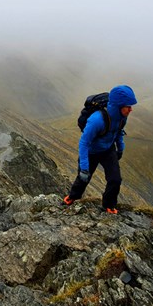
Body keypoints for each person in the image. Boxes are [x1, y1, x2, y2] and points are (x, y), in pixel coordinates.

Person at [62, 85, 137, 214]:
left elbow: (118, 131)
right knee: (83, 179)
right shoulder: (96, 120)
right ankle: (72, 197)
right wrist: (84, 167)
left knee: (115, 180)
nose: (131, 109)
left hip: (108, 150)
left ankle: (108, 205)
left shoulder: (122, 115)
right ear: (119, 105)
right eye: (128, 106)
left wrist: (120, 148)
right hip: (91, 152)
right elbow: (84, 143)